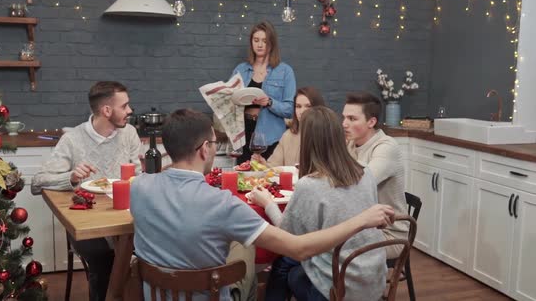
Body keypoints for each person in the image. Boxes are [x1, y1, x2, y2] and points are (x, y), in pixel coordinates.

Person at [131, 109, 395, 301]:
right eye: (213, 144)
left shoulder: (139, 186)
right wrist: (362, 219)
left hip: (155, 293)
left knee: (248, 248)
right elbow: (298, 248)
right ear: (204, 150)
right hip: (212, 294)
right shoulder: (223, 204)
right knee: (250, 248)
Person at [250, 106, 388, 301]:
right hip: (372, 277)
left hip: (339, 286)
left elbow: (288, 240)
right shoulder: (366, 172)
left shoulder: (310, 185)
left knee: (282, 261)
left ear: (307, 142)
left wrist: (267, 203)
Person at [31, 81, 142, 301]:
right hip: (87, 219)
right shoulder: (72, 139)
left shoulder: (129, 133)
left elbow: (137, 176)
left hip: (125, 215)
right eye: (125, 106)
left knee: (152, 250)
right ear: (106, 110)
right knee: (103, 258)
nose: (130, 111)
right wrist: (71, 177)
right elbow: (37, 182)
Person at [342, 92, 408, 259]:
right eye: (344, 118)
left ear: (371, 122)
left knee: (325, 247)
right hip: (363, 226)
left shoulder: (386, 147)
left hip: (389, 235)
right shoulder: (351, 144)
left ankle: (341, 284)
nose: (344, 124)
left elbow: (360, 184)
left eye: (352, 119)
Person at [232, 21, 297, 164]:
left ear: (272, 43)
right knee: (244, 179)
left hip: (270, 135)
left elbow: (290, 110)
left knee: (268, 178)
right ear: (251, 43)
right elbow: (229, 100)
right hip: (243, 134)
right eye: (256, 40)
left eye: (264, 41)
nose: (260, 45)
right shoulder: (240, 70)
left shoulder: (285, 71)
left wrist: (269, 102)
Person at [252, 87, 325, 167]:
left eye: (308, 106)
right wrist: (263, 165)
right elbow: (274, 166)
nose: (302, 111)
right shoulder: (287, 136)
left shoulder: (326, 135)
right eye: (298, 106)